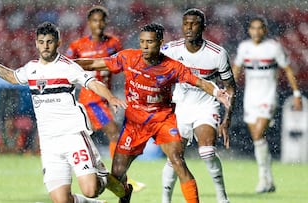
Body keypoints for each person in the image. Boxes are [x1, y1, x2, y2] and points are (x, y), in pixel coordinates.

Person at [75, 23, 232, 203]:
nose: (144, 46)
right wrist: (66, 65)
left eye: (149, 42)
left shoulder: (172, 67)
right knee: (116, 176)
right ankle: (126, 192)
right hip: (135, 123)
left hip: (162, 120)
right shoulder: (128, 58)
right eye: (142, 42)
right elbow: (95, 63)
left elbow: (201, 82)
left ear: (160, 42)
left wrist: (216, 92)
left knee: (177, 161)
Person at [0, 21, 128, 203]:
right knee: (62, 200)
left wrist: (110, 97)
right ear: (36, 43)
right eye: (41, 42)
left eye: (49, 41)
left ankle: (106, 179)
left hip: (73, 135)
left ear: (58, 42)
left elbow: (93, 82)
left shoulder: (67, 66)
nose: (45, 46)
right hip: (49, 143)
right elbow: (12, 77)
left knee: (90, 190)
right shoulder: (31, 69)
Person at [64, 5, 145, 192]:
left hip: (104, 97)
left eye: (101, 20)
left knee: (82, 136)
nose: (98, 24)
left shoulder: (114, 43)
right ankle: (119, 179)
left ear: (106, 22)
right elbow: (67, 64)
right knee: (114, 133)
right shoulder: (78, 45)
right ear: (89, 23)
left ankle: (98, 175)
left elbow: (124, 64)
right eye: (94, 20)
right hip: (90, 98)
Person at [160, 8, 236, 203]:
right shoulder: (170, 50)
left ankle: (222, 198)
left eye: (194, 24)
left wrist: (227, 120)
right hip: (180, 107)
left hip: (206, 106)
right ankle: (165, 200)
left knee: (207, 151)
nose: (189, 28)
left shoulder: (217, 54)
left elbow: (230, 88)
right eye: (186, 23)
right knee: (173, 158)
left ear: (203, 27)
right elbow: (152, 72)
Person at [232, 16, 303, 193]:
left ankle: (263, 179)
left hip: (268, 96)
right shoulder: (244, 48)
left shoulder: (273, 48)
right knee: (258, 139)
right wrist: (228, 88)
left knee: (258, 134)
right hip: (250, 98)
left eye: (260, 28)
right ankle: (268, 179)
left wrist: (296, 94)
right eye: (253, 28)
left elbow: (287, 69)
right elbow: (236, 68)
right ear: (249, 31)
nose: (256, 32)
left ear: (265, 30)